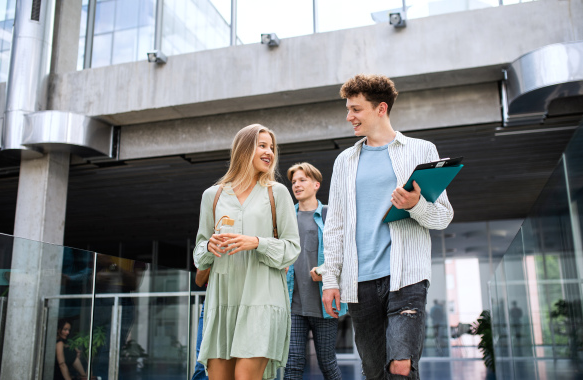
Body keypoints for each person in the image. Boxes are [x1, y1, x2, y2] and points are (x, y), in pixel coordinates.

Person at [321, 74, 454, 380]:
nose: (348, 116)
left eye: (356, 109)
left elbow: (442, 217)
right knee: (374, 371)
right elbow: (335, 225)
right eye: (348, 109)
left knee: (401, 366)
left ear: (381, 109)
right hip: (359, 282)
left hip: (406, 276)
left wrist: (414, 205)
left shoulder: (421, 150)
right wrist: (331, 279)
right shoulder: (344, 161)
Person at [193, 124, 301, 380]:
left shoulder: (278, 193)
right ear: (244, 150)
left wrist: (257, 242)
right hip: (222, 300)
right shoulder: (213, 196)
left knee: (245, 376)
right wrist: (209, 246)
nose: (269, 152)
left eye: (272, 147)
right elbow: (199, 251)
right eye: (262, 145)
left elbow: (292, 248)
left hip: (262, 298)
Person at [284, 163, 347, 380]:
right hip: (292, 304)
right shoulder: (285, 218)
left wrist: (325, 271)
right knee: (291, 365)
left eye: (302, 180)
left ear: (316, 184)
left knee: (328, 364)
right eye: (293, 182)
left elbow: (344, 252)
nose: (297, 185)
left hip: (324, 304)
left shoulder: (330, 215)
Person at [192, 268, 211, 380]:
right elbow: (199, 280)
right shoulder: (206, 249)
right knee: (204, 365)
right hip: (214, 302)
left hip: (249, 302)